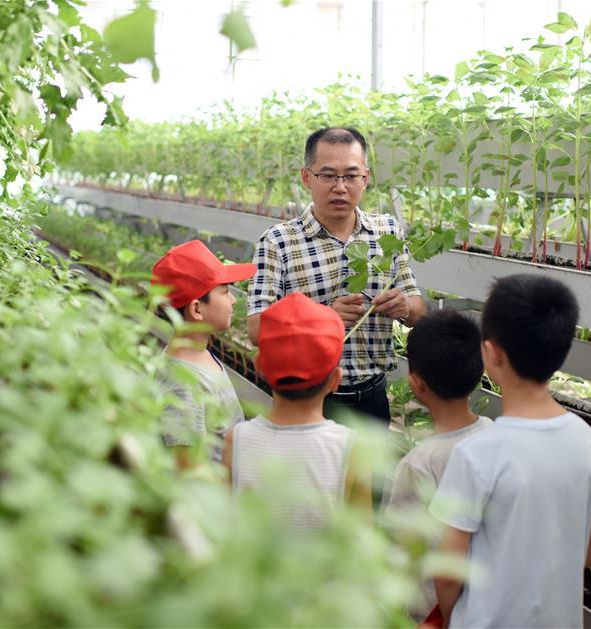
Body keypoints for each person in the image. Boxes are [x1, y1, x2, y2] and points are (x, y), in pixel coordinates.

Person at [430, 274, 591, 628]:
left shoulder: (476, 454)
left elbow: (448, 570)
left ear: (491, 354)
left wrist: (457, 617)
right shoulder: (586, 441)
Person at [247, 127, 427, 425]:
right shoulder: (278, 242)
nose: (340, 187)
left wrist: (405, 307)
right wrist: (322, 317)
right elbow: (255, 329)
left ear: (365, 178)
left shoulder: (387, 233)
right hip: (308, 402)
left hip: (372, 399)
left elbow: (419, 312)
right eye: (328, 176)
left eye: (351, 176)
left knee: (369, 474)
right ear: (307, 177)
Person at [224, 292, 371, 526]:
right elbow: (362, 534)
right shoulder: (351, 448)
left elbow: (224, 520)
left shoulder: (237, 440)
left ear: (260, 367)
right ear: (335, 380)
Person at [383, 309, 493, 622]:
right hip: (494, 601)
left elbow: (401, 549)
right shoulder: (496, 437)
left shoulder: (418, 464)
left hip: (436, 610)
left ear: (416, 384)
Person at [151, 239, 258, 467]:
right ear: (197, 309)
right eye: (225, 292)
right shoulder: (182, 386)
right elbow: (187, 471)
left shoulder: (200, 354)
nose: (233, 299)